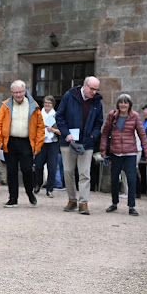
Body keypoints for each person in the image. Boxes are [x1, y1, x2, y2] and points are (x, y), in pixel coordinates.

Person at [55, 76, 103, 215]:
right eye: (92, 89)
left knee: (84, 173)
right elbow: (60, 116)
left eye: (96, 89)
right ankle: (72, 200)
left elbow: (99, 122)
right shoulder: (69, 96)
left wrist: (93, 135)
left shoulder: (97, 102)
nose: (94, 92)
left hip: (87, 143)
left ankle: (83, 202)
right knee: (68, 171)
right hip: (68, 141)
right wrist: (66, 133)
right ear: (84, 85)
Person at [0, 80, 44, 207]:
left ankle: (30, 192)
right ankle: (13, 198)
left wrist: (38, 145)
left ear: (25, 91)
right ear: (11, 93)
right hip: (10, 142)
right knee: (11, 171)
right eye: (15, 92)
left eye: (20, 92)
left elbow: (40, 127)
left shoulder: (34, 106)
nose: (18, 95)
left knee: (27, 169)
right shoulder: (6, 106)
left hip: (27, 142)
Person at [101, 94, 147, 216]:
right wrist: (103, 148)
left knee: (131, 179)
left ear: (129, 104)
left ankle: (131, 206)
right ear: (118, 104)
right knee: (114, 179)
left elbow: (142, 135)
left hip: (130, 152)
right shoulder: (112, 116)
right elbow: (105, 133)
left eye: (126, 102)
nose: (123, 105)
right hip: (116, 151)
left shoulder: (135, 116)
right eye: (121, 102)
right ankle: (114, 203)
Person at [33, 95, 60, 198]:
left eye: (49, 103)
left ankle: (49, 189)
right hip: (41, 143)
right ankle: (38, 183)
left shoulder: (57, 115)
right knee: (38, 165)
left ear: (53, 105)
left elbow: (61, 131)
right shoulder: (39, 114)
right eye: (46, 103)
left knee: (52, 167)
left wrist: (53, 130)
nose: (47, 105)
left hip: (53, 143)